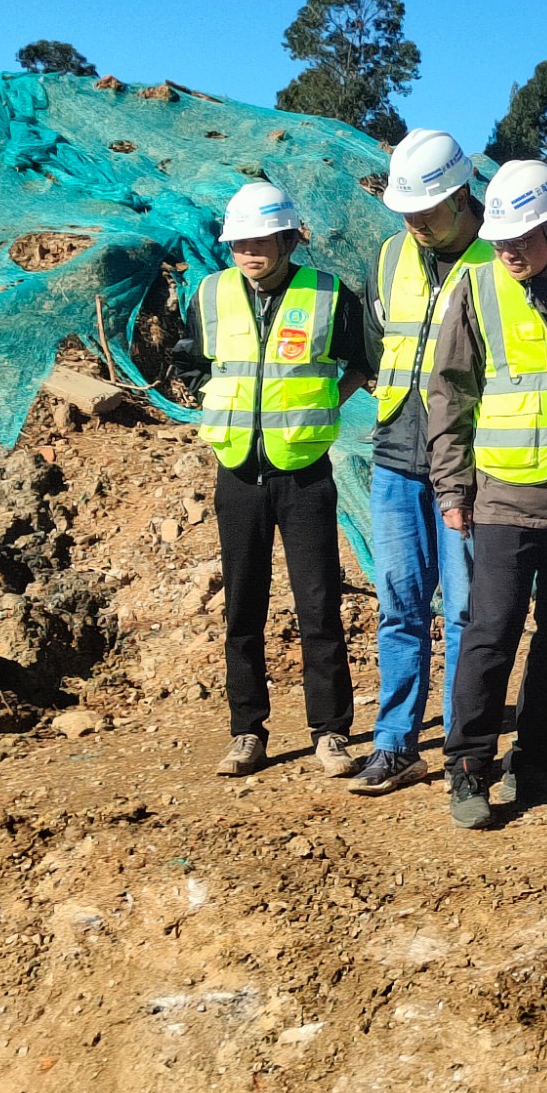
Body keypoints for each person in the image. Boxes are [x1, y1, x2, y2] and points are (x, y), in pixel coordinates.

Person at [427, 159, 547, 828]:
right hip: (505, 499)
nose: (508, 252)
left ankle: (535, 763)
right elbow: (449, 390)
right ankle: (468, 768)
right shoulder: (478, 285)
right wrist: (452, 485)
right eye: (500, 240)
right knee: (491, 634)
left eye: (522, 240)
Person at [176, 181, 373, 780]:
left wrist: (327, 404)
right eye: (239, 243)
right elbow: (189, 361)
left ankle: (331, 732)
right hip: (238, 470)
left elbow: (363, 360)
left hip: (305, 472)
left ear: (288, 240)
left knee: (318, 604)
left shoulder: (328, 295)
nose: (249, 252)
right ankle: (247, 731)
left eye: (261, 241)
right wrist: (216, 401)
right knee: (243, 607)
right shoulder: (210, 294)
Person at [350, 130, 491, 796]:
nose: (414, 224)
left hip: (468, 464)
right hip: (395, 457)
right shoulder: (389, 258)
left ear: (461, 197)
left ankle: (464, 750)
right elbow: (376, 349)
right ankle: (394, 743)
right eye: (405, 212)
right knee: (399, 606)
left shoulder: (499, 260)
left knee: (465, 613)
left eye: (427, 211)